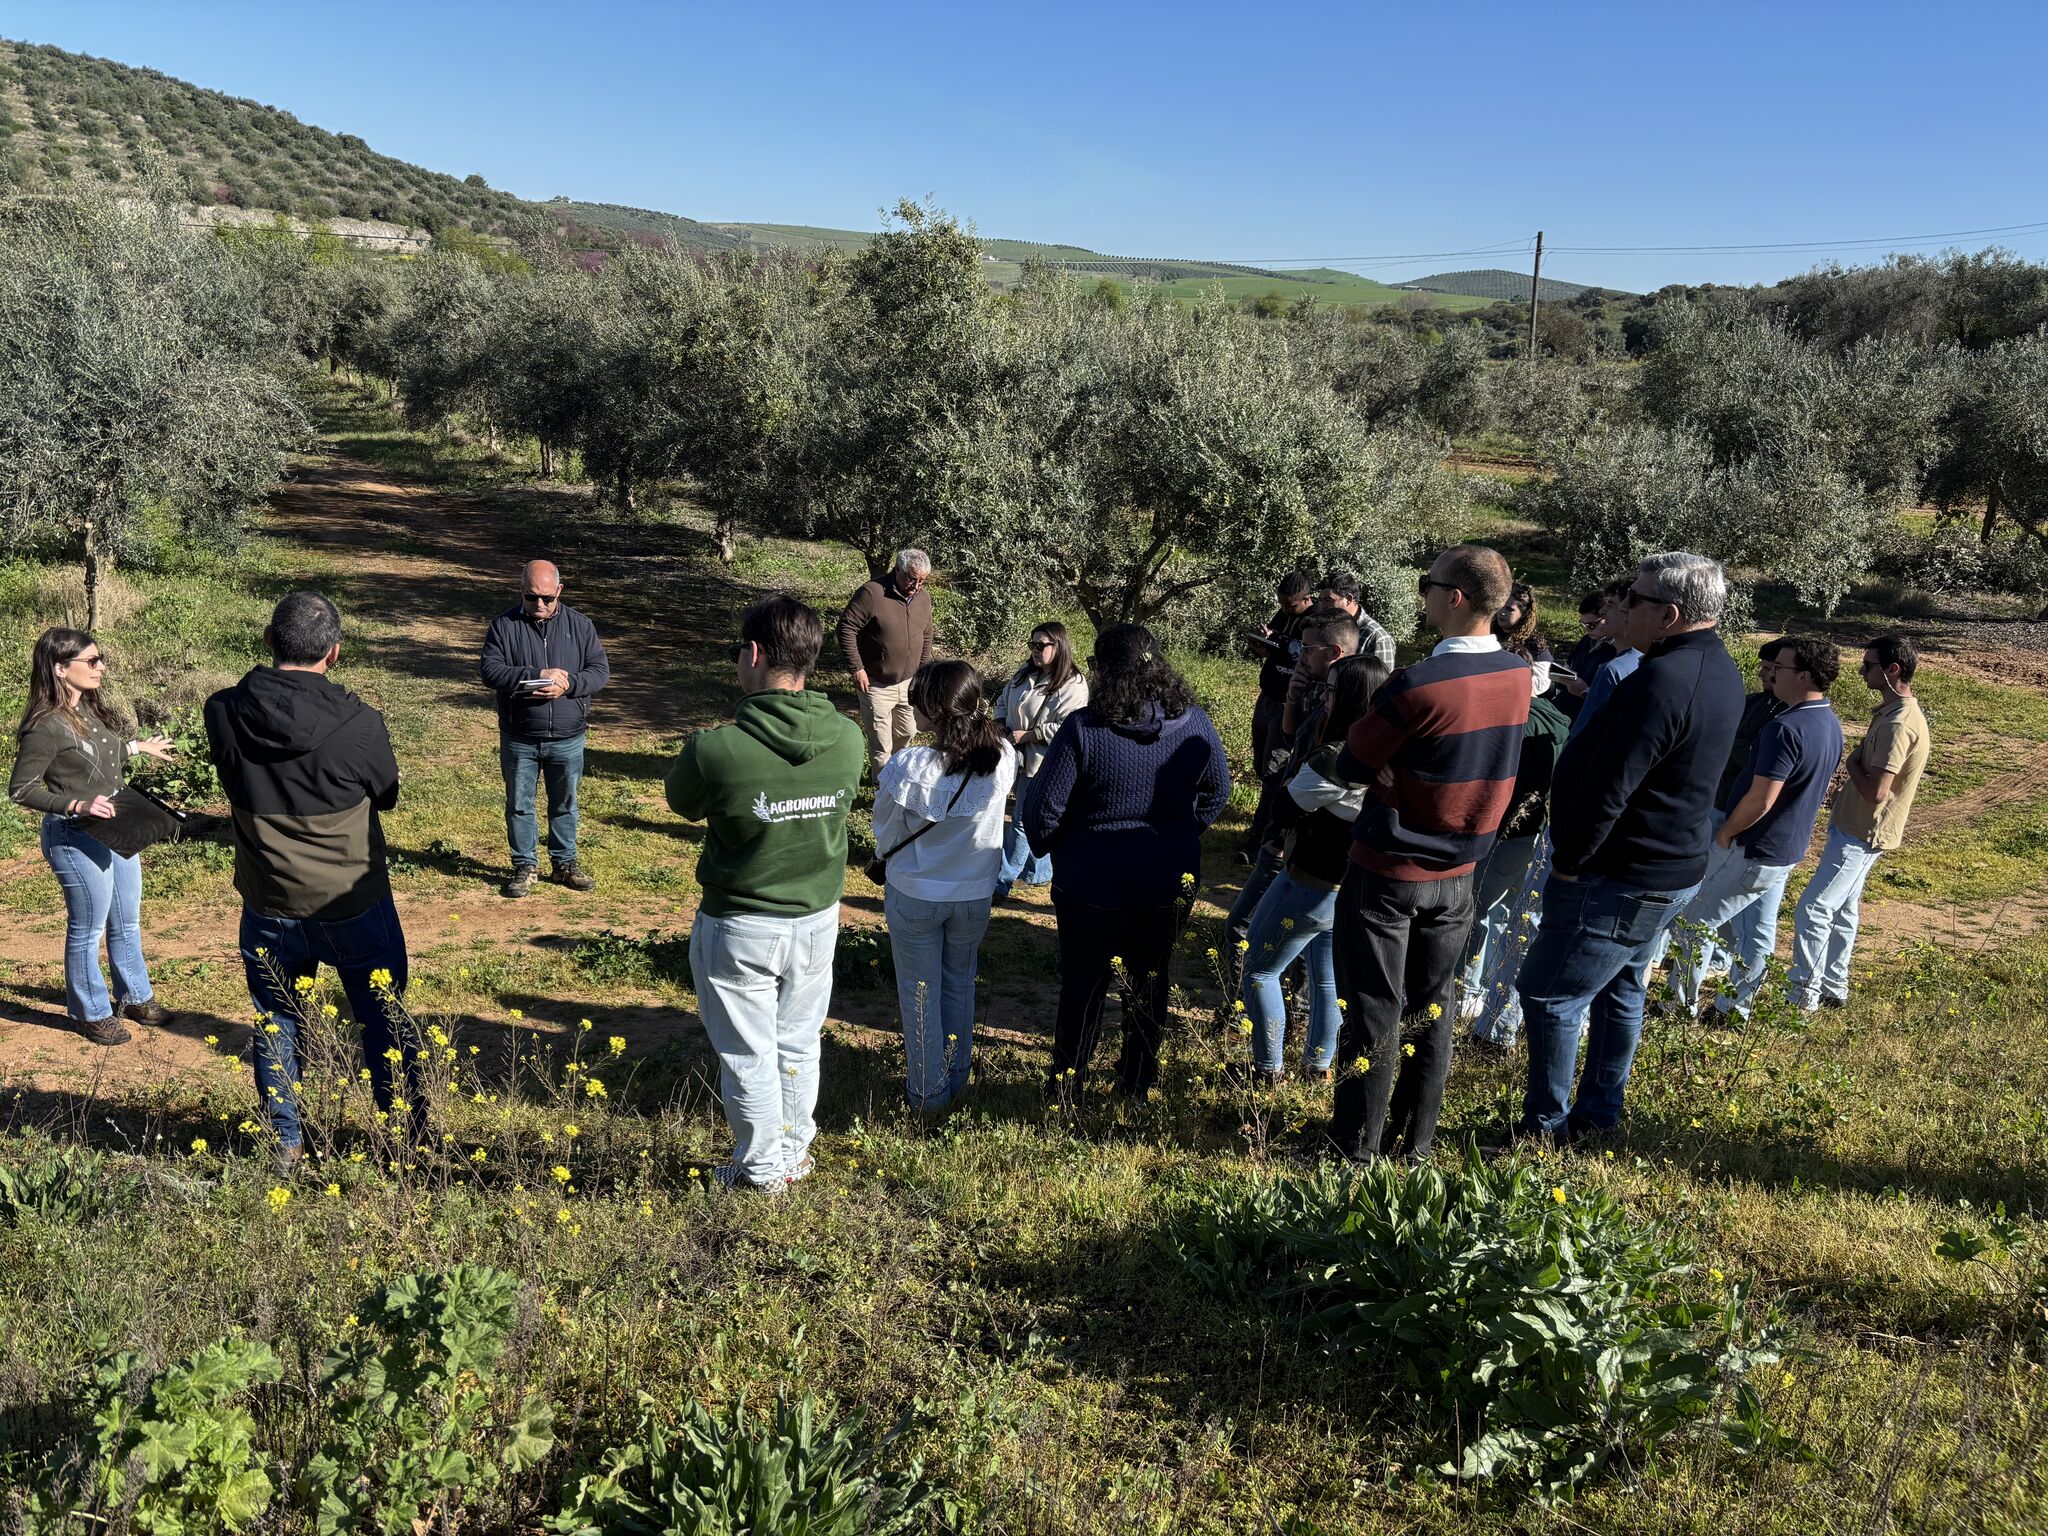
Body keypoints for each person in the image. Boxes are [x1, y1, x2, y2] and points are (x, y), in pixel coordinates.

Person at [1513, 553, 1743, 1145]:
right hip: (1667, 865)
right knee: (1621, 988)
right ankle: (1596, 1116)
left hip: (1620, 872)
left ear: (1668, 614)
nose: (1622, 608)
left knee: (1548, 994)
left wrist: (1570, 865)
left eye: (1634, 601)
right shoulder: (1718, 667)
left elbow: (1610, 789)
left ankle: (1545, 1133)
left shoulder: (1661, 681)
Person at [1325, 545, 1530, 1163]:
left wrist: (1392, 766)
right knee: (1432, 1007)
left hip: (1390, 865)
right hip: (1462, 869)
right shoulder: (1517, 674)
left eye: (1427, 583)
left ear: (1456, 598)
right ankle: (1413, 1145)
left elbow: (1350, 762)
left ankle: (1354, 1148)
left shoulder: (1418, 684)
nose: (1422, 594)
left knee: (1373, 1007)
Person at [206, 592, 421, 1167]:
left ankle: (286, 1140)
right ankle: (403, 1138)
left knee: (275, 1016)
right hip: (353, 900)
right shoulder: (360, 723)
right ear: (335, 652)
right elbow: (388, 796)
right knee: (382, 1017)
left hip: (269, 899)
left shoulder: (222, 710)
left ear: (270, 641)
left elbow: (232, 779)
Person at [665, 595, 865, 1191]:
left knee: (749, 1055)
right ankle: (793, 1155)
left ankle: (761, 1172)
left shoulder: (716, 748)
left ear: (753, 654)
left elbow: (682, 802)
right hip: (818, 917)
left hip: (741, 923)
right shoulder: (850, 740)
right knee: (799, 1043)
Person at [1021, 623, 1230, 1099]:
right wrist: (1178, 834)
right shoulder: (1193, 721)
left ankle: (1067, 1085)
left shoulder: (1084, 729)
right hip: (1167, 876)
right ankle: (1136, 1081)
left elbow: (1043, 808)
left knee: (1084, 982)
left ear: (1104, 672)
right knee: (1150, 976)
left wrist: (1065, 848)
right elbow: (1218, 790)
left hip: (1091, 880)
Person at [8, 628, 177, 1044]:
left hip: (114, 829)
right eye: (91, 661)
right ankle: (91, 1012)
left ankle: (134, 996)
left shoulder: (87, 709)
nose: (100, 667)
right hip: (74, 835)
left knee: (127, 920)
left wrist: (137, 748)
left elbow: (100, 753)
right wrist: (76, 806)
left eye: (100, 659)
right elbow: (21, 788)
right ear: (60, 669)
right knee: (88, 928)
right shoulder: (44, 726)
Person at [1669, 636, 1843, 1022]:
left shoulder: (1785, 728)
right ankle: (1735, 1010)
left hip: (1750, 848)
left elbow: (1761, 798)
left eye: (1779, 669)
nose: (1771, 675)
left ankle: (1678, 1009)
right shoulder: (1830, 724)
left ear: (1803, 676)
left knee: (1690, 922)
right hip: (1784, 850)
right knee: (1758, 933)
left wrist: (1727, 833)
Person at [1237, 653, 1388, 1084]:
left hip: (1309, 881)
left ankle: (1267, 1070)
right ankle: (1318, 1066)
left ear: (1350, 698)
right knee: (1326, 982)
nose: (1323, 697)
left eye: (1331, 689)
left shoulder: (1336, 758)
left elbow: (1285, 805)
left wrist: (1290, 787)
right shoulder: (1386, 753)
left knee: (1261, 970)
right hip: (1347, 884)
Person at [875, 661, 1017, 1111]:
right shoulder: (1003, 757)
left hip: (916, 892)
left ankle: (927, 1094)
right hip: (974, 893)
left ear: (931, 708)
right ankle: (956, 1077)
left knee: (919, 994)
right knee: (959, 984)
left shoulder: (909, 766)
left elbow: (886, 834)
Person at [1788, 633, 1931, 1013]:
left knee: (1815, 909)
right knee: (1844, 908)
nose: (1861, 670)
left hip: (1861, 830)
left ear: (1892, 670)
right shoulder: (1894, 712)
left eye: (1868, 665)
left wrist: (1851, 764)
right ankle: (1834, 986)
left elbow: (1877, 791)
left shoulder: (1900, 723)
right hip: (1857, 827)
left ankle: (1803, 997)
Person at [1229, 610, 1359, 968]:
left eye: (1307, 648)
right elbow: (1291, 737)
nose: (1299, 655)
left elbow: (1315, 782)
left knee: (1247, 936)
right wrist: (1293, 696)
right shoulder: (1320, 688)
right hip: (1287, 832)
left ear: (1333, 652)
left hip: (1303, 843)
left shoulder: (1348, 698)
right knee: (1315, 962)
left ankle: (1246, 1008)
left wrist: (1281, 827)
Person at [479, 559, 611, 898]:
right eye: (531, 597)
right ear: (520, 591)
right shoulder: (504, 626)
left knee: (565, 802)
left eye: (547, 598)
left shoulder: (581, 626)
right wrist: (537, 676)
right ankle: (525, 865)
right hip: (520, 735)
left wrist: (568, 685)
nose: (539, 604)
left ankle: (564, 862)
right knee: (519, 803)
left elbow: (599, 671)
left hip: (568, 736)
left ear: (559, 592)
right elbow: (491, 671)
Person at [1457, 690, 1571, 1050]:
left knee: (1475, 912)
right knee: (1505, 915)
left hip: (1502, 832)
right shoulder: (1556, 719)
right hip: (1533, 834)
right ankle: (1487, 984)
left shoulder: (1516, 723)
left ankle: (1468, 991)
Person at [991, 623, 1087, 898]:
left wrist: (1031, 735)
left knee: (1021, 820)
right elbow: (1002, 699)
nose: (1034, 651)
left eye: (1041, 645)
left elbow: (1069, 726)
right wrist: (1000, 724)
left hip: (1043, 762)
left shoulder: (1074, 685)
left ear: (1058, 646)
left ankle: (1002, 881)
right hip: (1014, 754)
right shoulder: (1025, 672)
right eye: (1032, 644)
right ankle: (1039, 872)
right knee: (1032, 817)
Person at [838, 549, 935, 773]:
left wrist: (922, 670)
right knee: (881, 743)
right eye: (912, 578)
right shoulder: (872, 593)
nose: (917, 586)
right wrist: (857, 668)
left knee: (908, 731)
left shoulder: (923, 598)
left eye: (922, 581)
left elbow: (927, 633)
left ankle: (897, 774)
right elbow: (846, 628)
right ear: (898, 570)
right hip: (876, 683)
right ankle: (882, 788)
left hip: (909, 682)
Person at [1566, 581, 1639, 738]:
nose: (1603, 611)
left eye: (1611, 604)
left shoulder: (1613, 669)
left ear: (1629, 613)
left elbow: (1586, 736)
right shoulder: (1646, 659)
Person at [1315, 572, 1397, 668]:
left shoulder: (1376, 638)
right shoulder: (1329, 628)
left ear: (1349, 599)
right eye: (1320, 601)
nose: (1322, 607)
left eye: (1329, 600)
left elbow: (1381, 681)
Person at [1557, 588, 1613, 714]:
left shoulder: (1617, 651)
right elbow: (1571, 663)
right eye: (1583, 625)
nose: (1587, 630)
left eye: (1591, 625)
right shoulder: (1587, 640)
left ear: (1606, 617)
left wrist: (1584, 691)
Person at [1495, 582, 1554, 695]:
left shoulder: (1534, 643)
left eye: (1509, 609)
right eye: (1500, 606)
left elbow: (1541, 683)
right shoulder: (1487, 631)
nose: (1502, 613)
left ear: (1524, 614)